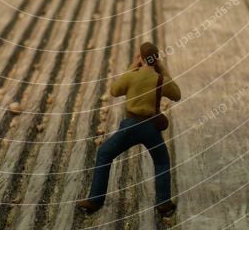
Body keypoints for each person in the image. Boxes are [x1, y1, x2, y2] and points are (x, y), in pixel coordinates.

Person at [77, 41, 181, 217]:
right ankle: (164, 203)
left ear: (141, 57)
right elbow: (177, 95)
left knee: (104, 153)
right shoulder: (159, 79)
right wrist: (161, 68)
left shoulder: (132, 76)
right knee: (162, 161)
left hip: (131, 125)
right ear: (156, 60)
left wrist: (133, 66)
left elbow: (115, 90)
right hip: (151, 129)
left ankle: (95, 200)